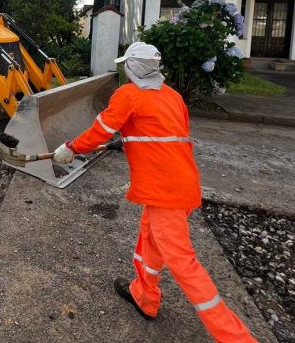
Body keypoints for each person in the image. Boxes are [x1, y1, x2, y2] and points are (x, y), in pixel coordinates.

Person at [52, 42, 256, 343]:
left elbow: (100, 131)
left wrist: (70, 149)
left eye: (126, 66)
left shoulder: (128, 95)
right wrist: (131, 138)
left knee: (184, 264)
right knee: (148, 239)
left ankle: (238, 338)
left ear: (132, 68)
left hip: (164, 192)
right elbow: (165, 134)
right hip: (182, 185)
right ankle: (145, 296)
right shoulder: (173, 97)